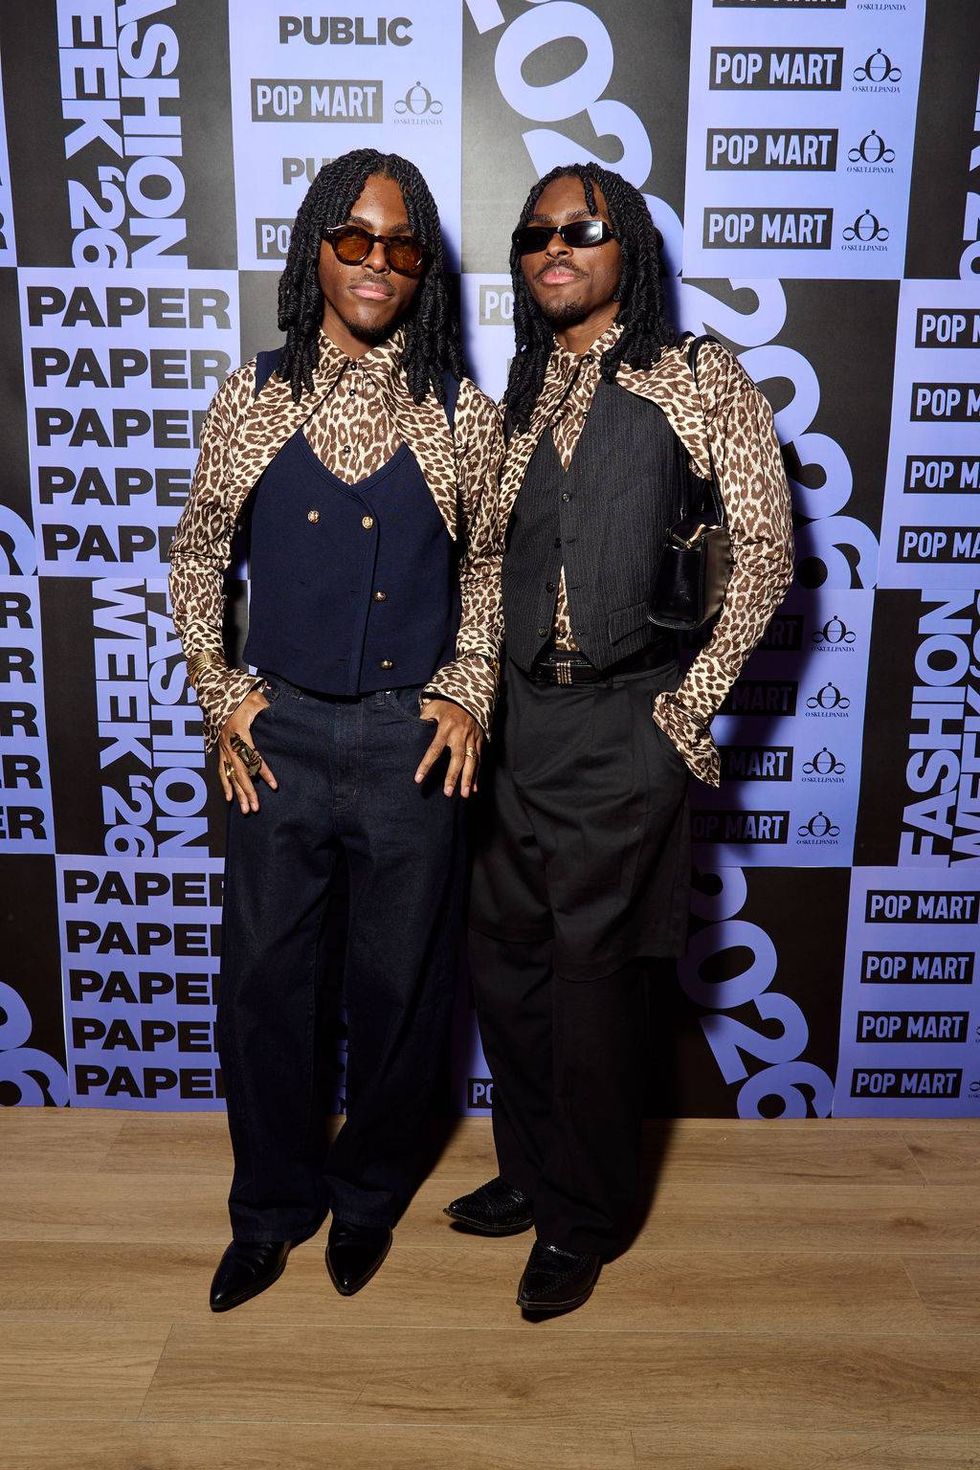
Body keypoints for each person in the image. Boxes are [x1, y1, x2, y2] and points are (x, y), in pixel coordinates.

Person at [445, 163, 794, 1316]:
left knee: (593, 985)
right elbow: (485, 562)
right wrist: (469, 697)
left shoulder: (696, 376)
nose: (555, 246)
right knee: (506, 967)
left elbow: (764, 553)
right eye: (535, 232)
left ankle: (583, 1217)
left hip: (624, 719)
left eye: (580, 228)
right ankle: (531, 1171)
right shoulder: (517, 391)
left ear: (625, 247)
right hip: (509, 726)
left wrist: (686, 710)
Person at [169, 149, 504, 1312]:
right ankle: (269, 1210)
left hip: (412, 748)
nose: (376, 263)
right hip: (281, 743)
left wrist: (467, 686)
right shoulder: (256, 396)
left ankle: (366, 1201)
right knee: (267, 988)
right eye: (353, 238)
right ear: (316, 246)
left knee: (401, 992)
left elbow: (491, 567)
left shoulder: (459, 412)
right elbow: (199, 551)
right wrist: (220, 691)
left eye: (400, 246)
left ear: (423, 271)